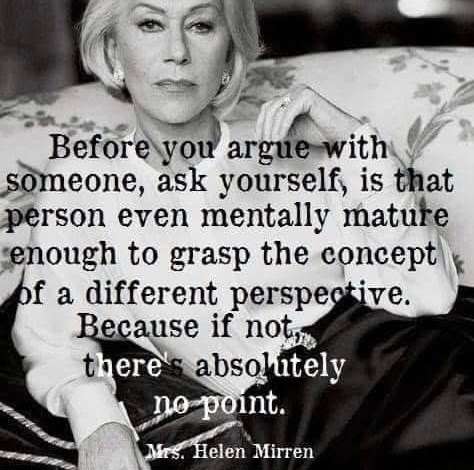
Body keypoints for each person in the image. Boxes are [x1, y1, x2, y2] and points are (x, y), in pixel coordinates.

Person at [11, 0, 460, 469]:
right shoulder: (82, 184)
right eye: (150, 24)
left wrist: (354, 141)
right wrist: (100, 426)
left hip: (409, 373)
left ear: (228, 54)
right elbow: (50, 338)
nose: (177, 51)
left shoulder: (293, 148)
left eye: (200, 25)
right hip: (292, 429)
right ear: (112, 50)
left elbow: (430, 293)